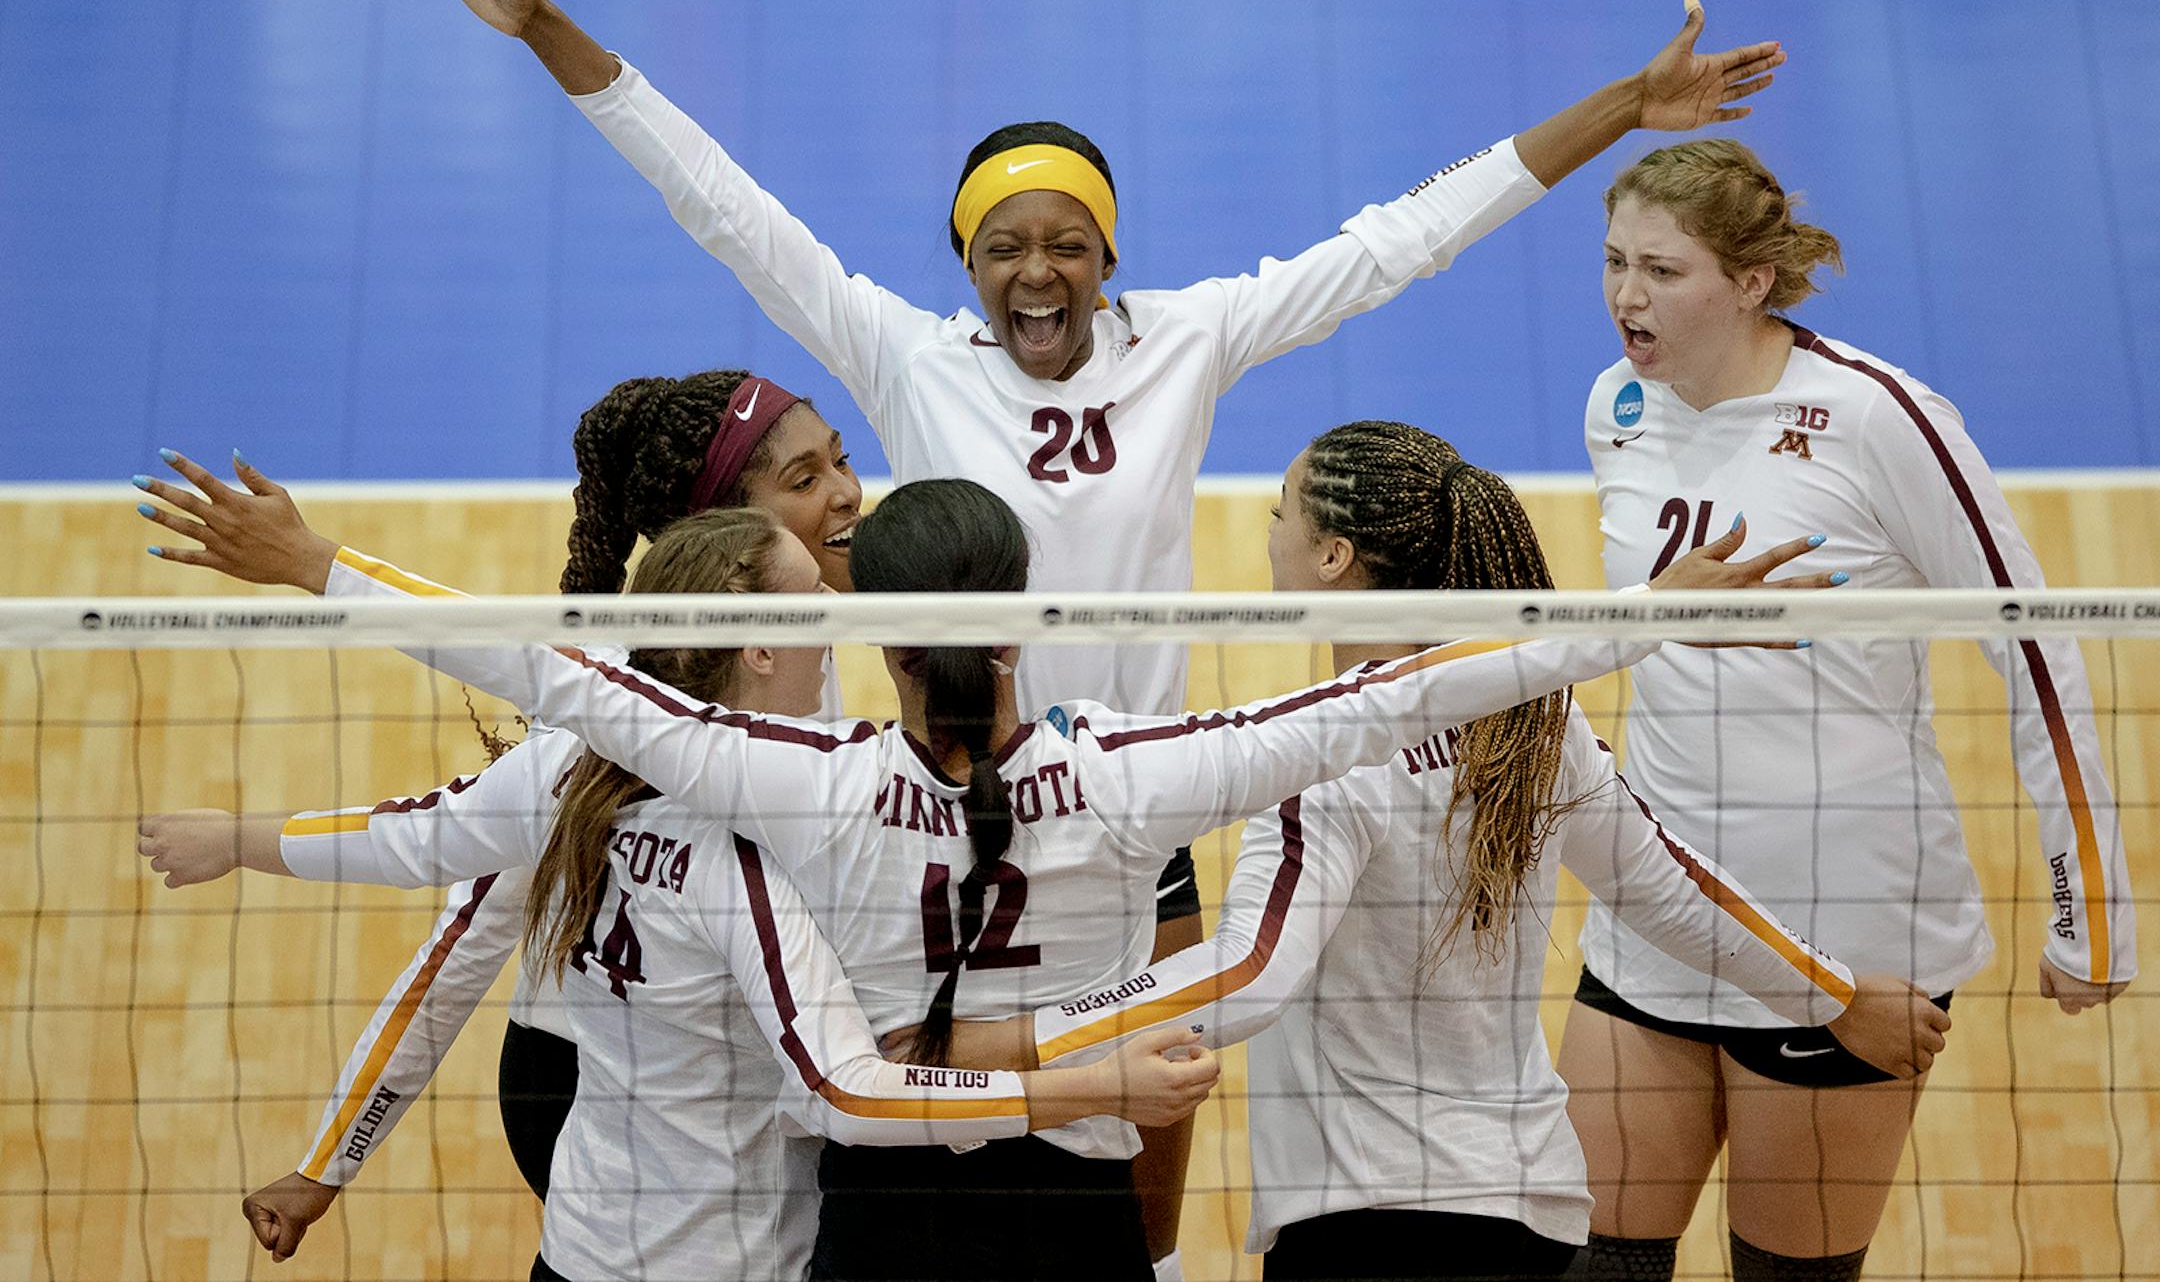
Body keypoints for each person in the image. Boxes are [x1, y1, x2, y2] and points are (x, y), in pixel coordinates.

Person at [413, 0, 1788, 1264]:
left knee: (1130, 1161)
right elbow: (719, 202)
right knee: (897, 1110)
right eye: (1003, 245)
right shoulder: (900, 351)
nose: (1036, 271)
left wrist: (1624, 103)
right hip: (922, 809)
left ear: (1106, 253)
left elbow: (1404, 242)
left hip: (1128, 805)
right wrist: (544, 29)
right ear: (967, 261)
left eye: (1066, 242)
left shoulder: (1187, 339)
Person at [131, 445, 1811, 1280]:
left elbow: (560, 675)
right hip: (1070, 1209)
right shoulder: (1133, 775)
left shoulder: (791, 783)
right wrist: (1632, 622)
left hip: (872, 1216)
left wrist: (320, 566)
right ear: (1016, 608)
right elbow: (1390, 700)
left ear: (870, 624)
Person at [890, 421, 1947, 1282]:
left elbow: (1249, 976)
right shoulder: (1540, 722)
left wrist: (1017, 1038)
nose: (1268, 534)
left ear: (1334, 558)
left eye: (1280, 516)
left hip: (1366, 1222)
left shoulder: (1320, 762)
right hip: (1529, 1208)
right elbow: (1672, 895)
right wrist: (1835, 994)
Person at [140, 507, 1218, 1282]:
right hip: (749, 1250)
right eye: (818, 601)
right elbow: (858, 1078)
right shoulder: (772, 831)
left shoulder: (571, 774)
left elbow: (416, 837)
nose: (842, 612)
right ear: (761, 642)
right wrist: (1092, 1072)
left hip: (585, 1243)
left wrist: (239, 837)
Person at [1558, 139, 2138, 1281]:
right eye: (1616, 260)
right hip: (1663, 908)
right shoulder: (1617, 404)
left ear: (1752, 281)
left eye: (1665, 270)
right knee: (1593, 1266)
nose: (1629, 293)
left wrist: (2092, 901)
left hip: (1848, 927)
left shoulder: (1879, 418)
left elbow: (2033, 643)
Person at [132, 368, 860, 1241]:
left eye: (842, 460)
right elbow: (458, 939)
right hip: (584, 1078)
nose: (852, 494)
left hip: (717, 1062)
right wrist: (331, 1159)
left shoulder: (796, 639)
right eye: (807, 479)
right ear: (729, 535)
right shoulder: (602, 735)